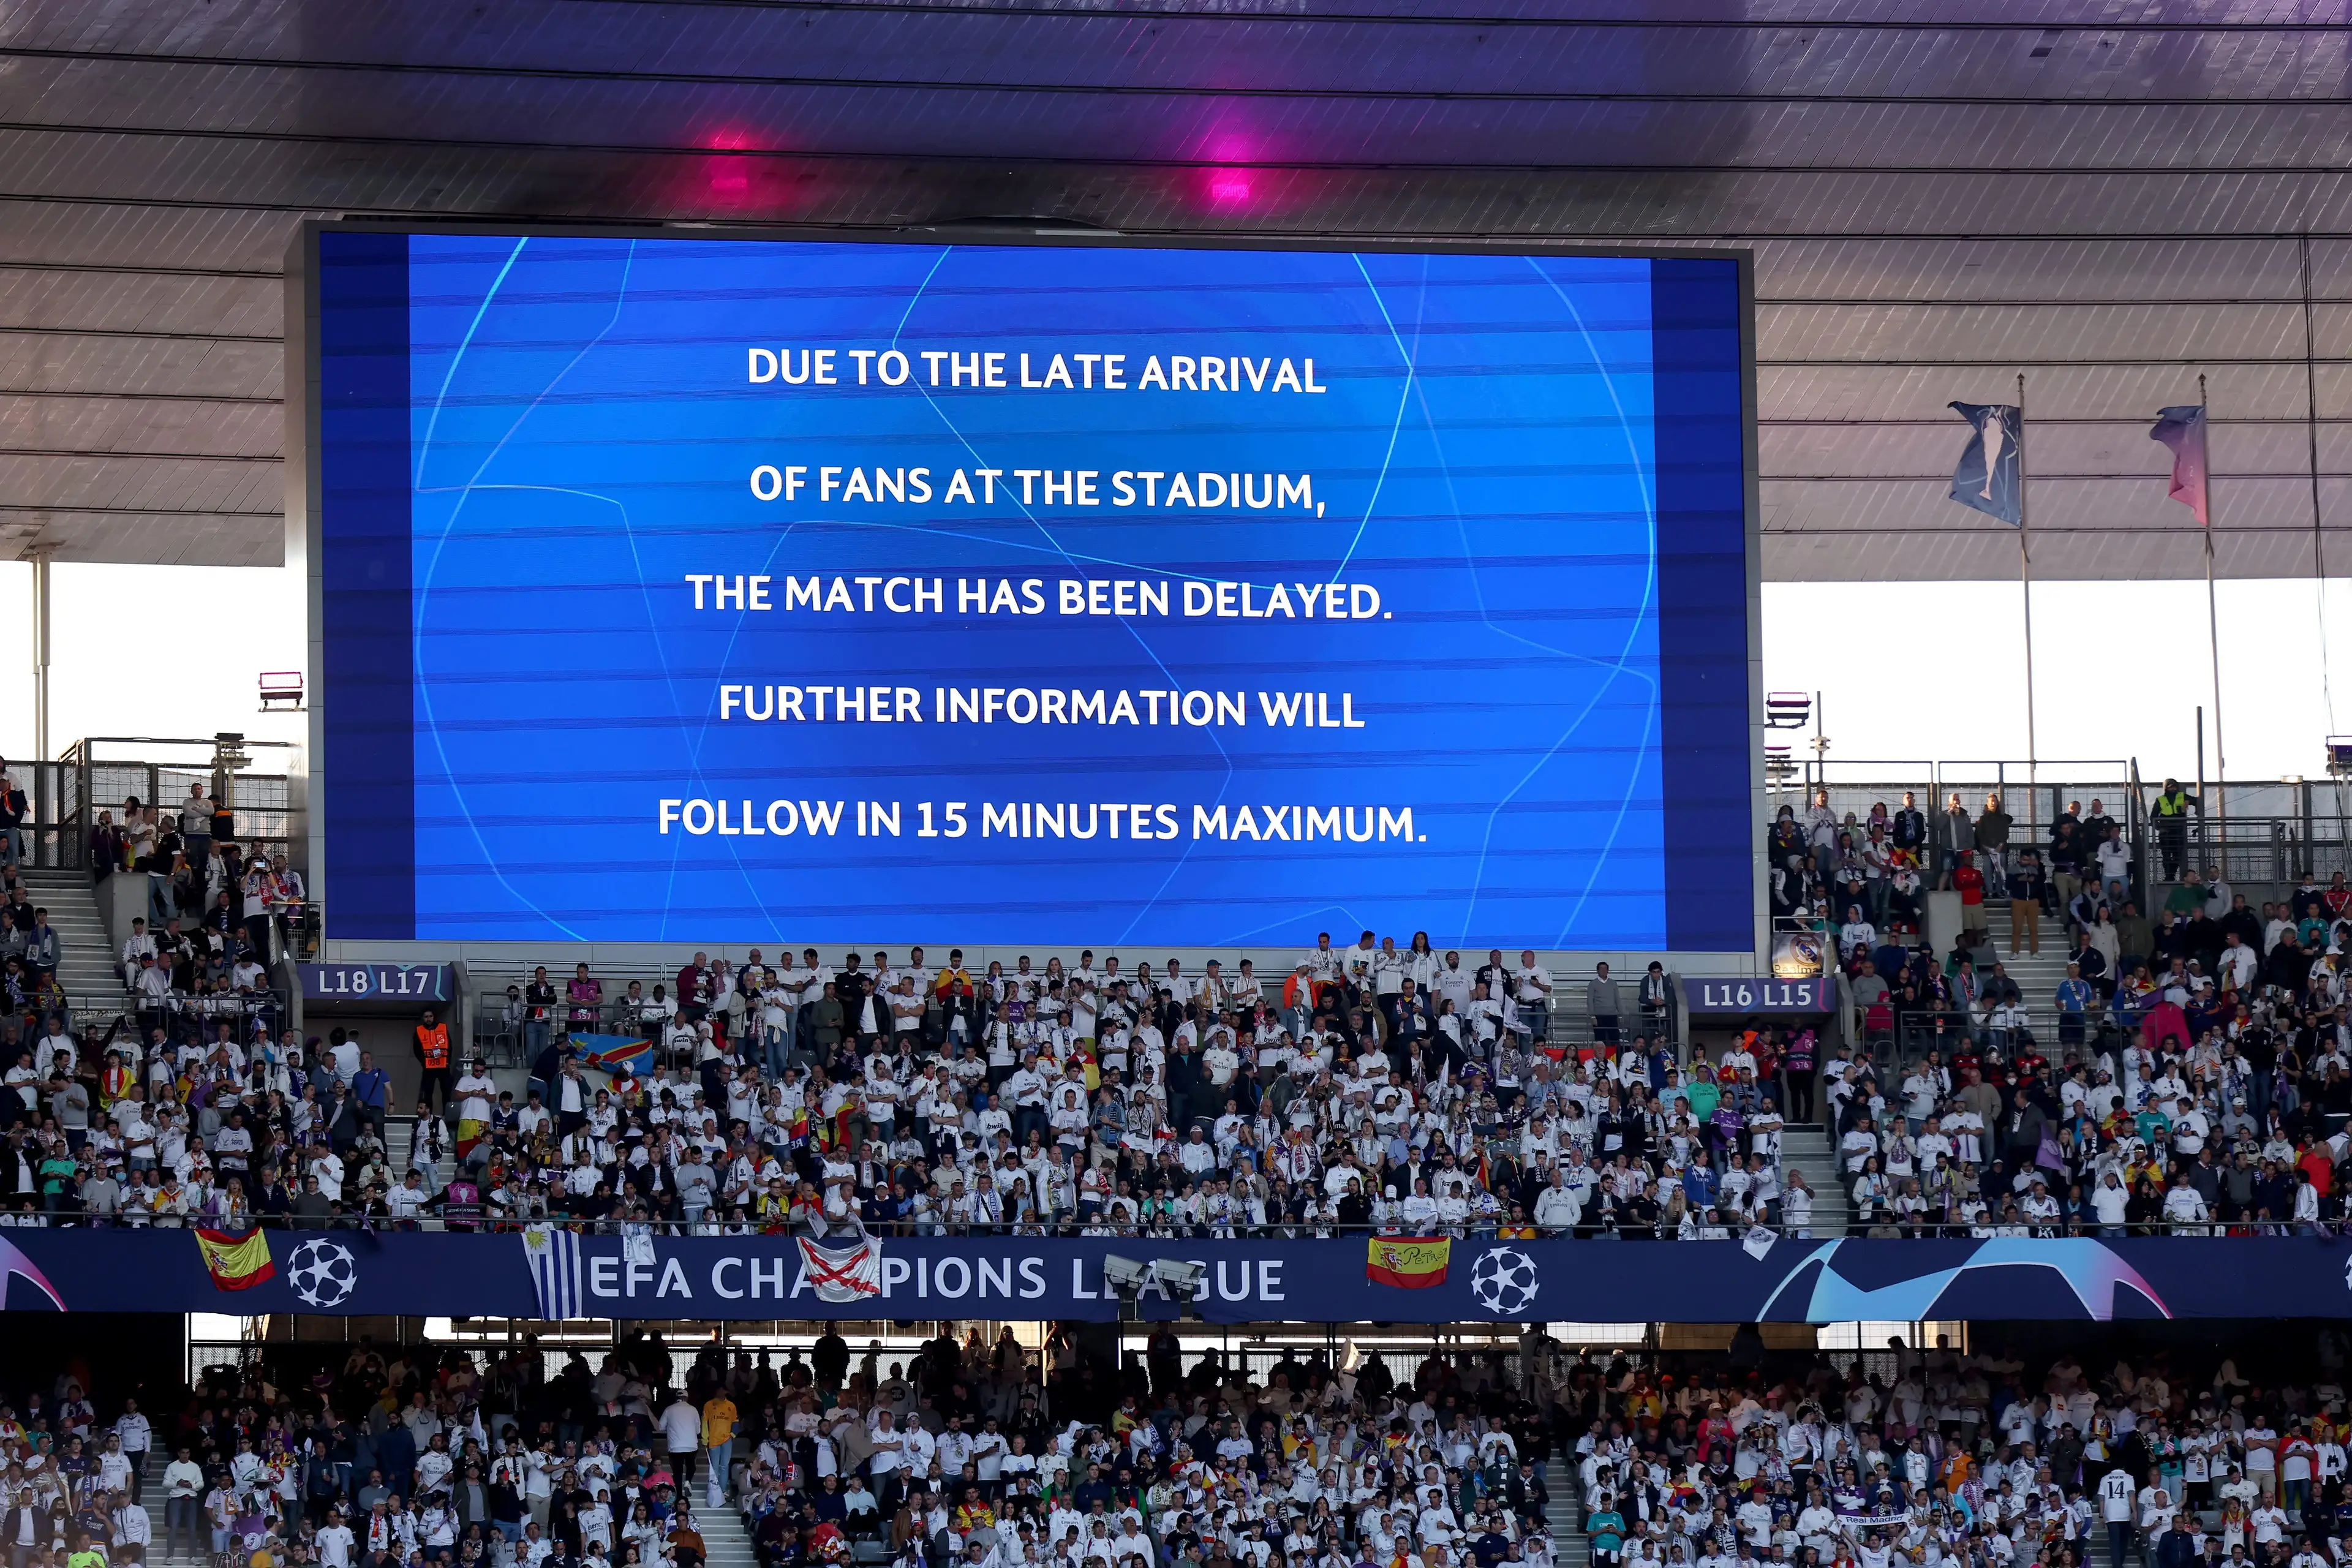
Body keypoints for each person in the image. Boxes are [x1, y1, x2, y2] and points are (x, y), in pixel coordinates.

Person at [413, 1008, 454, 1117]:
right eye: (426, 1017)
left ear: (434, 1017)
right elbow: (416, 1050)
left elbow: (449, 1045)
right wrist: (424, 1062)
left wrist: (448, 1061)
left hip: (443, 1065)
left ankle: (447, 1114)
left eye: (430, 1016)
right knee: (427, 1092)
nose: (428, 1019)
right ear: (423, 1018)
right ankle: (428, 1114)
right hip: (429, 1067)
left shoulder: (442, 1027)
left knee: (446, 1092)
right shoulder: (419, 1030)